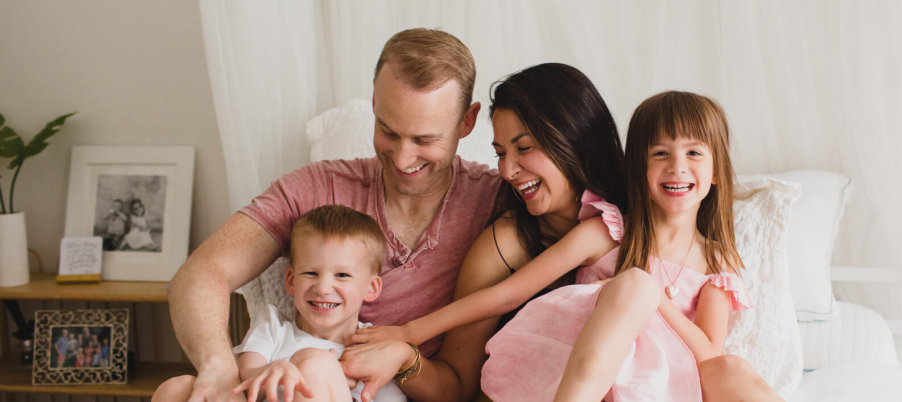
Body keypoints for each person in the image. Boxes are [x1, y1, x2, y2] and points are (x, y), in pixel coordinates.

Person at [358, 91, 782, 401]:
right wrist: (410, 331)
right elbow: (507, 293)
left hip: (661, 389)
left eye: (694, 153)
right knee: (632, 285)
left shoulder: (715, 261)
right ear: (638, 168)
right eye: (660, 153)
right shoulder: (609, 231)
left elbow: (709, 354)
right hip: (576, 380)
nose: (677, 167)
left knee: (733, 371)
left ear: (716, 174)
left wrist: (657, 301)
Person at [165, 28, 502, 402]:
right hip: (289, 385)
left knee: (315, 367)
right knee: (177, 390)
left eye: (425, 140)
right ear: (375, 102)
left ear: (467, 123)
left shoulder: (496, 201)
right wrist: (218, 369)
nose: (403, 158)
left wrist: (405, 357)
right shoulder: (317, 186)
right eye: (388, 132)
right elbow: (201, 273)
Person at [155, 205, 406, 402]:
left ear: (371, 288)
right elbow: (241, 379)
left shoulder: (373, 345)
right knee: (176, 388)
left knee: (315, 362)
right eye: (310, 273)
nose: (322, 288)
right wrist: (275, 371)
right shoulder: (273, 326)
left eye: (342, 275)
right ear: (290, 280)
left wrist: (326, 375)